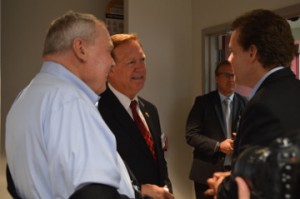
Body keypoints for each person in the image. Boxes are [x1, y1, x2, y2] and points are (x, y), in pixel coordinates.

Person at [5, 11, 136, 199]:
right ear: (80, 48)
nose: (112, 63)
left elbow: (14, 182)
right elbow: (95, 194)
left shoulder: (23, 100)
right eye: (108, 51)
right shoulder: (70, 102)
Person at [205, 9, 300, 199]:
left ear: (252, 52)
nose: (229, 60)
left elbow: (260, 189)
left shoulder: (262, 108)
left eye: (232, 52)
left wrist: (223, 186)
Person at [97, 33, 174, 199]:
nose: (140, 68)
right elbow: (100, 171)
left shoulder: (150, 110)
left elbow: (159, 162)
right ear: (110, 68)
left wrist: (167, 189)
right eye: (131, 62)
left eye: (142, 60)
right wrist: (139, 189)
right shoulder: (97, 111)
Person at [185, 60, 247, 199]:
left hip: (236, 173)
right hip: (207, 174)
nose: (231, 79)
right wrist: (218, 146)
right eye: (226, 75)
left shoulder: (245, 103)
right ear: (216, 78)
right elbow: (191, 135)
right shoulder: (203, 102)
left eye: (233, 75)